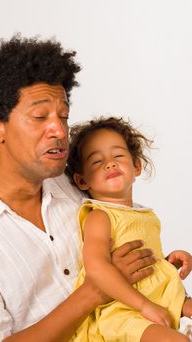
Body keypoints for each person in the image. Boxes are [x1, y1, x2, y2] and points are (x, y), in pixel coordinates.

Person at [0, 35, 190, 342]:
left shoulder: (75, 181)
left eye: (63, 116)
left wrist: (160, 262)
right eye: (40, 117)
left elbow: (127, 232)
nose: (58, 131)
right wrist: (94, 291)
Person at [65, 116, 192, 342]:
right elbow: (96, 268)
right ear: (82, 181)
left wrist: (166, 260)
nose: (110, 163)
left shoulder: (145, 215)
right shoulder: (99, 216)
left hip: (161, 296)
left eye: (118, 156)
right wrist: (144, 306)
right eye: (96, 161)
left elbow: (143, 261)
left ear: (136, 166)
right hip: (121, 309)